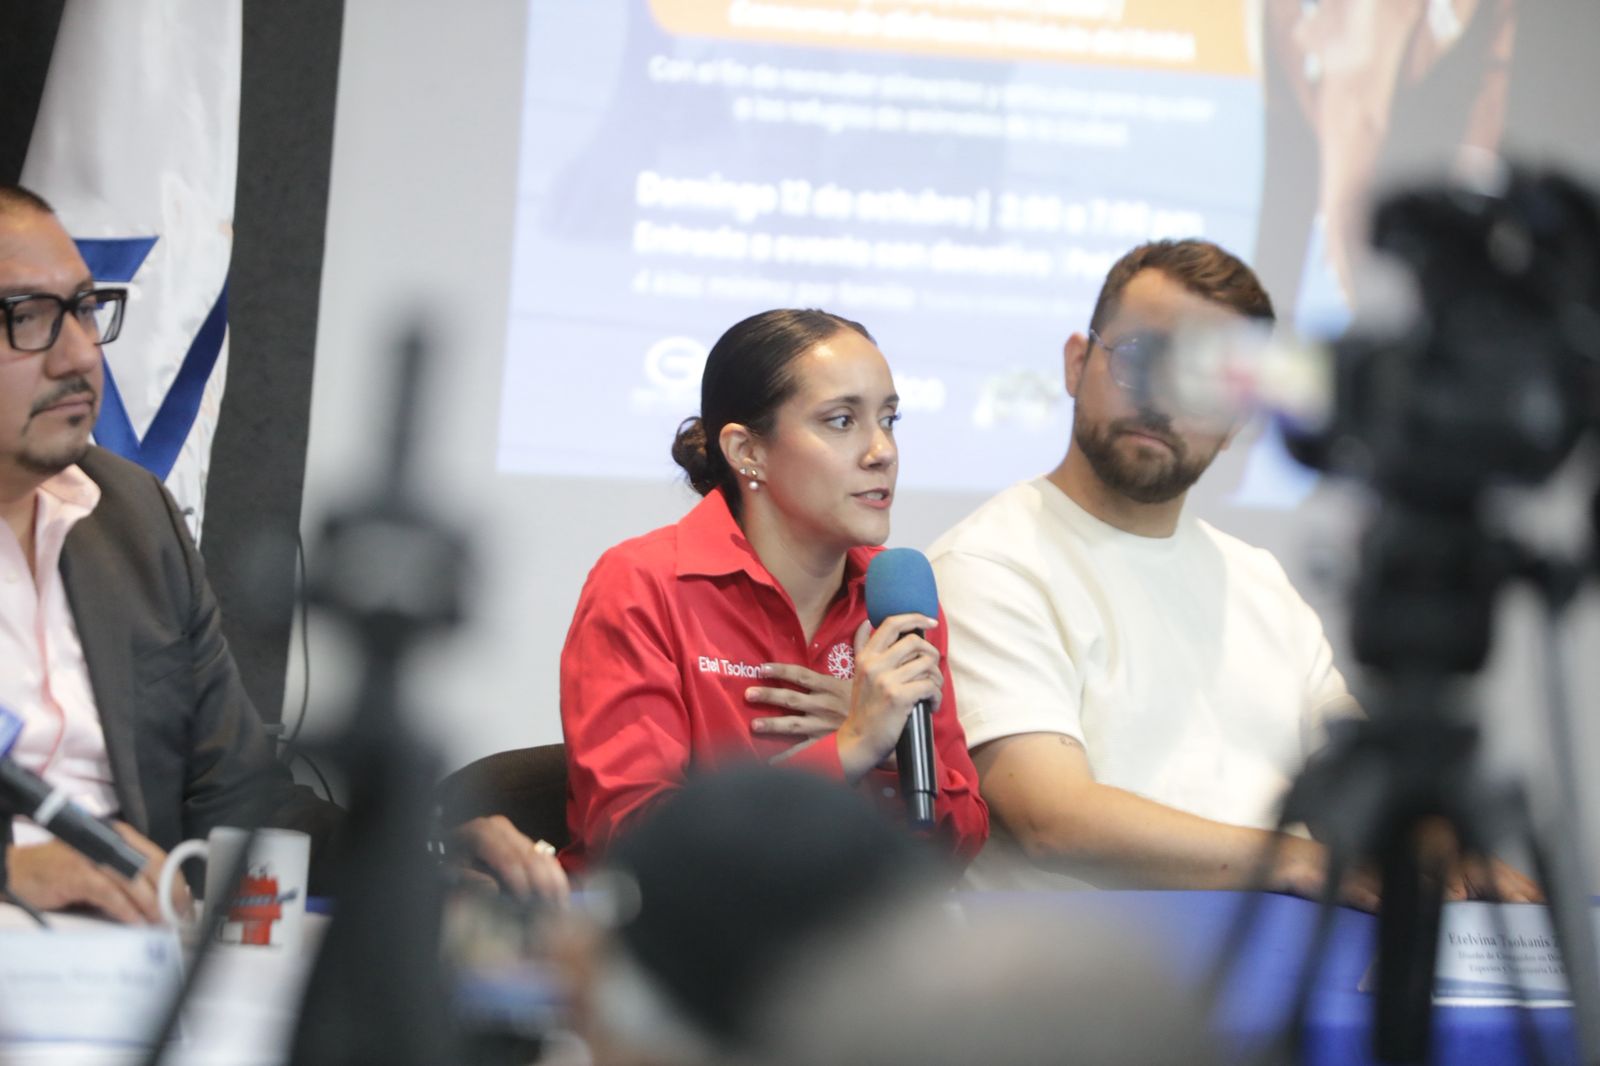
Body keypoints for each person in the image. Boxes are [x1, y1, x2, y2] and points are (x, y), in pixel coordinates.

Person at [0, 183, 565, 921]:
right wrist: (14, 870)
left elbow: (238, 797)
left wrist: (413, 852)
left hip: (133, 950)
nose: (79, 354)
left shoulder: (131, 517)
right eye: (29, 317)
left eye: (84, 308)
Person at [927, 238, 1537, 904]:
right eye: (1140, 358)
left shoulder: (1259, 580)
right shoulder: (989, 561)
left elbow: (1362, 781)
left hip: (1287, 942)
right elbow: (1054, 821)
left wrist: (1438, 850)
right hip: (1090, 962)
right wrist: (1302, 861)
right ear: (1077, 364)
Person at [560, 308, 988, 869]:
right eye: (842, 421)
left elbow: (960, 842)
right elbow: (635, 841)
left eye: (889, 419)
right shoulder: (645, 584)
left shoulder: (896, 601)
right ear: (747, 452)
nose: (882, 450)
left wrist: (894, 753)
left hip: (854, 922)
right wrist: (851, 744)